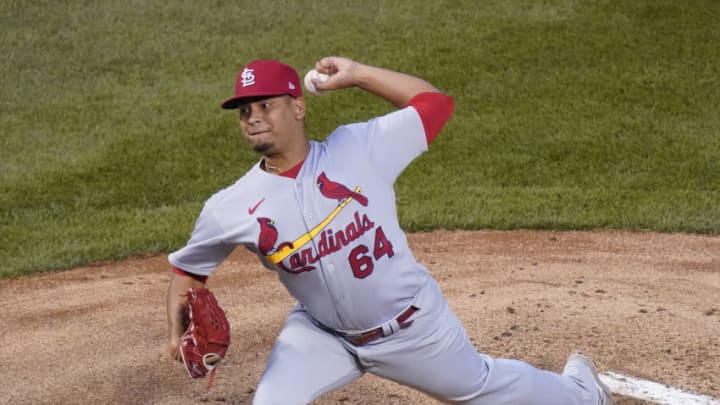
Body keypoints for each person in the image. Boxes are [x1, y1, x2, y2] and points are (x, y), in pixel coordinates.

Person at [166, 56, 612, 404]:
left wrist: (358, 74)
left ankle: (583, 393)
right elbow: (188, 271)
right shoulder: (230, 205)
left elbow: (435, 104)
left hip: (412, 329)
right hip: (321, 334)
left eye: (266, 105)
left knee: (479, 389)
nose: (253, 117)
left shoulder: (360, 147)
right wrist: (175, 333)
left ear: (298, 106)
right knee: (272, 401)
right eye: (245, 111)